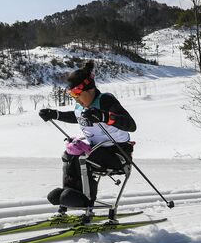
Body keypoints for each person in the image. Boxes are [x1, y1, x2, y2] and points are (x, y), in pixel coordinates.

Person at [38, 60, 137, 220]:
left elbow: (131, 125)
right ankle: (69, 197)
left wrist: (104, 116)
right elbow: (77, 117)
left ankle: (87, 203)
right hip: (97, 150)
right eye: (72, 95)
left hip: (118, 154)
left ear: (89, 89)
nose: (75, 98)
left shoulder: (105, 100)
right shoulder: (81, 106)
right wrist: (55, 114)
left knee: (84, 158)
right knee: (68, 155)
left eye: (77, 93)